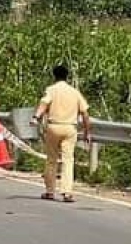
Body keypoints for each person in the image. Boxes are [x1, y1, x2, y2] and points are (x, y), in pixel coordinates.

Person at [34, 63, 91, 202]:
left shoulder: (51, 90)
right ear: (67, 76)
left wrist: (36, 117)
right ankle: (67, 192)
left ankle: (49, 191)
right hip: (70, 128)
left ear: (54, 76)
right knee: (68, 160)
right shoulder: (74, 92)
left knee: (51, 159)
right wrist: (87, 131)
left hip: (54, 127)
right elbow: (85, 113)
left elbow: (44, 103)